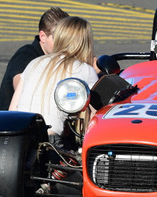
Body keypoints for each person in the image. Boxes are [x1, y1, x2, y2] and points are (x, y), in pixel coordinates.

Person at [9, 16, 98, 146]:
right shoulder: (84, 69)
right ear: (86, 43)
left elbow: (12, 109)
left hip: (17, 136)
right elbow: (97, 115)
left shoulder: (34, 62)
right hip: (50, 140)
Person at [0, 7, 68, 110]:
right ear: (43, 37)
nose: (63, 44)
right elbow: (24, 92)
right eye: (58, 38)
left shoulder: (62, 57)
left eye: (67, 39)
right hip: (15, 122)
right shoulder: (25, 56)